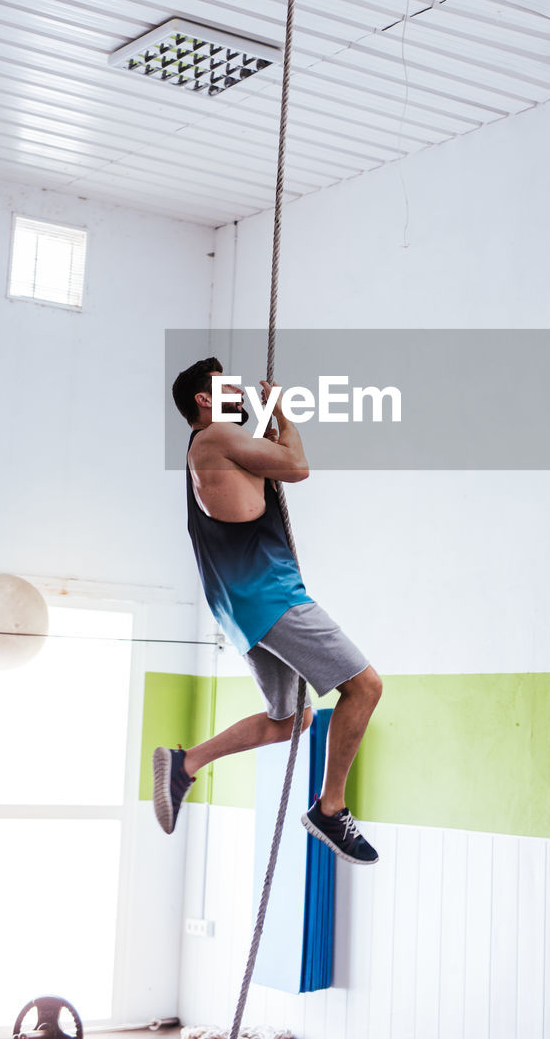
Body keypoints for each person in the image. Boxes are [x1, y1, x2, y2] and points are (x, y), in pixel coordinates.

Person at [154, 356, 382, 864]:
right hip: (269, 593)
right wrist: (283, 414)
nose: (239, 391)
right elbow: (296, 466)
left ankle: (185, 763)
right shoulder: (214, 437)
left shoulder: (211, 450)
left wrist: (271, 423)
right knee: (365, 687)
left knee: (292, 720)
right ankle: (330, 808)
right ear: (205, 400)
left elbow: (265, 472)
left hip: (241, 605)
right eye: (227, 386)